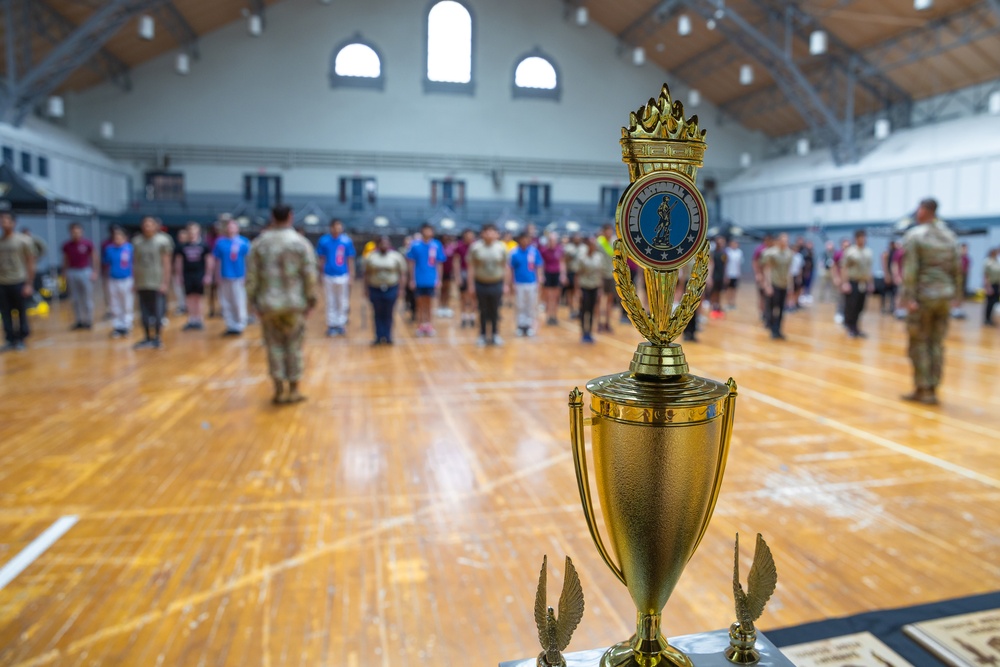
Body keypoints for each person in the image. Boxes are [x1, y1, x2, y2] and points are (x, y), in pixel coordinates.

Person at [246, 205, 318, 405]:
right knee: (294, 346)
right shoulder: (300, 243)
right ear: (290, 217)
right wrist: (311, 300)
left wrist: (253, 301)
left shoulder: (259, 244)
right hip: (294, 304)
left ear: (272, 217)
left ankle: (278, 390)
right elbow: (309, 276)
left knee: (274, 347)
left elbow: (251, 276)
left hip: (269, 304)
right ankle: (294, 389)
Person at [900, 198, 961, 405]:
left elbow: (911, 271)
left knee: (919, 342)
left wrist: (908, 298)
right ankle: (933, 386)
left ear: (924, 210)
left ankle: (923, 388)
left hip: (924, 297)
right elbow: (957, 269)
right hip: (944, 296)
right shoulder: (950, 236)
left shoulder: (916, 235)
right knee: (936, 342)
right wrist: (957, 296)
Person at [132, 216, 174, 349]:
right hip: (142, 281)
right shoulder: (137, 241)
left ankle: (157, 337)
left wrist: (165, 283)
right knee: (143, 312)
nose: (147, 227)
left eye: (150, 224)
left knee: (157, 312)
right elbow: (135, 263)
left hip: (156, 282)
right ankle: (146, 337)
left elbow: (167, 264)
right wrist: (135, 281)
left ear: (155, 226)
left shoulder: (163, 241)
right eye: (145, 224)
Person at [0, 213, 36, 351]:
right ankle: (10, 339)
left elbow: (30, 262)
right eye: (1, 220)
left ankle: (21, 338)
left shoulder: (23, 240)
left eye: (6, 220)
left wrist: (29, 283)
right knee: (5, 312)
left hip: (19, 281)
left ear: (14, 223)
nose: (3, 222)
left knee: (21, 311)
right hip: (3, 282)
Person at [468, 223, 508, 346]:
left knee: (495, 310)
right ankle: (483, 334)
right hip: (481, 283)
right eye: (487, 231)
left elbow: (505, 267)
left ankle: (495, 334)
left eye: (492, 231)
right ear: (482, 233)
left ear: (497, 234)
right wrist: (471, 285)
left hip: (496, 283)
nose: (489, 234)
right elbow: (471, 267)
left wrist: (506, 284)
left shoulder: (501, 247)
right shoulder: (475, 248)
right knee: (482, 310)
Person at [364, 235, 408, 345]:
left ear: (389, 244)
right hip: (375, 288)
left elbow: (402, 273)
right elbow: (366, 274)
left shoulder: (396, 257)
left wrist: (401, 289)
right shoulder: (371, 257)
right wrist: (365, 289)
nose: (384, 245)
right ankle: (378, 336)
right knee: (377, 313)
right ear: (378, 245)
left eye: (386, 243)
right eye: (381, 243)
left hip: (391, 287)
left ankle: (388, 336)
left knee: (388, 313)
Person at [316, 218, 355, 337]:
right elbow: (321, 259)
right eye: (335, 227)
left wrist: (351, 275)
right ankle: (331, 324)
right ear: (331, 227)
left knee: (342, 300)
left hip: (343, 274)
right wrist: (320, 273)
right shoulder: (324, 241)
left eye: (340, 226)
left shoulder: (346, 241)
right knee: (330, 300)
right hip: (328, 274)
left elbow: (350, 259)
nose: (337, 229)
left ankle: (341, 324)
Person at [213, 217, 251, 336]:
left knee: (238, 300)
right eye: (229, 226)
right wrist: (216, 275)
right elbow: (217, 260)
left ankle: (240, 324)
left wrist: (247, 275)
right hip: (224, 276)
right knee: (225, 301)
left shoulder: (244, 242)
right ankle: (231, 325)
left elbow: (248, 260)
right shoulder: (220, 242)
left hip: (239, 276)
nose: (231, 229)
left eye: (233, 226)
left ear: (237, 228)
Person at [407, 223, 445, 337]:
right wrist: (412, 279)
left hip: (431, 279)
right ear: (422, 231)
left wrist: (439, 279)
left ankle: (429, 325)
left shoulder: (436, 245)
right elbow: (411, 263)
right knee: (419, 304)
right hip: (419, 279)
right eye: (426, 230)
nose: (428, 232)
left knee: (429, 304)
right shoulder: (415, 245)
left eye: (430, 230)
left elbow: (439, 264)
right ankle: (420, 325)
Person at [174, 222, 214, 331]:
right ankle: (191, 319)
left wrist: (208, 275)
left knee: (198, 298)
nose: (192, 234)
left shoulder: (204, 245)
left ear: (198, 232)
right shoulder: (182, 246)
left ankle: (199, 319)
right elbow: (179, 261)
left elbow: (209, 260)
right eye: (190, 232)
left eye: (194, 231)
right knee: (189, 297)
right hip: (187, 274)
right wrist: (178, 276)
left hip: (199, 274)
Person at [839, 229, 874, 338]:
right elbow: (844, 268)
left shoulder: (868, 252)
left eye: (864, 237)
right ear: (856, 238)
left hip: (863, 282)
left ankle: (857, 328)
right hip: (852, 282)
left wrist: (870, 283)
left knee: (860, 306)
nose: (863, 239)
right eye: (860, 237)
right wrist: (845, 283)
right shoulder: (850, 252)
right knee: (851, 306)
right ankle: (850, 328)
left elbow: (869, 269)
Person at [62, 222, 96, 330]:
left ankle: (89, 320)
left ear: (82, 232)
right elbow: (65, 259)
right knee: (75, 298)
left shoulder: (87, 244)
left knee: (87, 297)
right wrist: (64, 272)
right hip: (72, 272)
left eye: (78, 231)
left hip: (85, 271)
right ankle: (79, 320)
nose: (76, 234)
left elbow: (94, 257)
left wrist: (95, 271)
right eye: (73, 232)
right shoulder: (67, 245)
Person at [760, 233, 794, 340]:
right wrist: (767, 285)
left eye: (787, 240)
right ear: (779, 241)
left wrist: (790, 285)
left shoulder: (789, 254)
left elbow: (789, 271)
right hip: (774, 283)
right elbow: (767, 269)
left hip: (784, 284)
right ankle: (771, 326)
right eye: (784, 240)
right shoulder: (771, 253)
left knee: (781, 309)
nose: (786, 242)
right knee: (772, 307)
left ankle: (778, 330)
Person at [509, 231, 543, 336]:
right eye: (522, 238)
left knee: (531, 305)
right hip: (519, 283)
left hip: (532, 282)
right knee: (520, 305)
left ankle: (529, 326)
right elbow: (510, 268)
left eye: (526, 239)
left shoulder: (534, 251)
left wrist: (539, 280)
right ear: (519, 240)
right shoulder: (514, 252)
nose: (524, 241)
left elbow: (538, 266)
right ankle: (520, 325)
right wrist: (511, 282)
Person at [576, 235, 608, 343]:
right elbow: (578, 274)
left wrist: (600, 289)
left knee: (592, 310)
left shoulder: (599, 257)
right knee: (584, 310)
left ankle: (589, 332)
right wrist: (578, 290)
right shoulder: (582, 257)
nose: (592, 246)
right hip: (584, 286)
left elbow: (601, 274)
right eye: (590, 244)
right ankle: (583, 332)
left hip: (595, 286)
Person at [104, 226, 134, 338]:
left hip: (127, 279)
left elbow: (134, 264)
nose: (117, 238)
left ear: (125, 237)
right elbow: (106, 262)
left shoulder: (130, 248)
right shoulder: (109, 249)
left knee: (126, 303)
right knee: (114, 304)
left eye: (119, 236)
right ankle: (117, 325)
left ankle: (127, 325)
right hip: (113, 279)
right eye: (115, 236)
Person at [539, 230, 565, 326]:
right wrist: (541, 276)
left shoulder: (560, 249)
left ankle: (554, 316)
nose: (552, 242)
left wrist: (563, 275)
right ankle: (549, 316)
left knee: (556, 297)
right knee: (549, 297)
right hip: (548, 274)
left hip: (557, 274)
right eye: (550, 240)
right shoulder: (544, 251)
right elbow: (541, 264)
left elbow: (562, 262)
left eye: (554, 240)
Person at [455, 229, 476, 328]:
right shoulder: (459, 247)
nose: (469, 238)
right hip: (463, 272)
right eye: (467, 236)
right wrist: (457, 276)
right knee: (463, 297)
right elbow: (456, 262)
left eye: (471, 236)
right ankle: (463, 317)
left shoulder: (476, 247)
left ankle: (472, 317)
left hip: (474, 273)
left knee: (473, 296)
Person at [597, 223, 617, 333]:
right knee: (600, 299)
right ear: (603, 231)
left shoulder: (614, 242)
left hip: (612, 274)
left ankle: (607, 323)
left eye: (610, 230)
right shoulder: (599, 242)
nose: (609, 233)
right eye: (607, 230)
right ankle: (599, 322)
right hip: (601, 274)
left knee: (610, 300)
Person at [751, 234, 773, 325]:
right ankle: (762, 313)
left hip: (770, 277)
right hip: (762, 276)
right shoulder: (760, 249)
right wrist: (758, 274)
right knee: (762, 295)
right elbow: (755, 262)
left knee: (769, 296)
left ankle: (768, 313)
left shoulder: (772, 250)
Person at [563, 232, 583, 317]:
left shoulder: (584, 248)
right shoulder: (568, 248)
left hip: (581, 273)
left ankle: (579, 309)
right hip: (571, 271)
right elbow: (564, 260)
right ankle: (572, 309)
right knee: (570, 292)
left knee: (579, 292)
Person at [171, 228, 189, 315]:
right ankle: (182, 306)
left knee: (188, 291)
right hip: (177, 273)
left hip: (188, 273)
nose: (181, 237)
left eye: (183, 235)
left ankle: (189, 306)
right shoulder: (176, 248)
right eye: (180, 236)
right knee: (178, 291)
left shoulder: (189, 247)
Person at [439, 233, 457, 318]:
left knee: (447, 289)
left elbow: (454, 261)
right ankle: (441, 306)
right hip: (440, 273)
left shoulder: (451, 248)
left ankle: (446, 306)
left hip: (448, 272)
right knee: (442, 290)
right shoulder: (439, 248)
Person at [709, 235, 727, 317]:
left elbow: (725, 265)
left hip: (721, 275)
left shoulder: (724, 253)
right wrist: (710, 277)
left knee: (719, 292)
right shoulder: (713, 253)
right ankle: (713, 307)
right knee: (713, 292)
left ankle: (718, 307)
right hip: (714, 275)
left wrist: (725, 276)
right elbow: (711, 264)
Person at [881, 241, 900, 315]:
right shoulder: (886, 253)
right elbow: (884, 264)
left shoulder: (896, 253)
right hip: (888, 275)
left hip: (893, 276)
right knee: (885, 293)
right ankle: (883, 308)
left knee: (893, 293)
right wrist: (887, 275)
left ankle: (892, 308)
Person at [724, 238, 743, 310]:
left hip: (736, 274)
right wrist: (725, 274)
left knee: (734, 289)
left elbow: (739, 264)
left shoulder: (739, 252)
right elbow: (725, 263)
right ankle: (728, 303)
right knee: (728, 289)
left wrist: (739, 274)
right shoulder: (727, 251)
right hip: (728, 273)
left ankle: (733, 303)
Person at [984, 248, 1000, 327]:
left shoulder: (997, 261)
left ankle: (991, 319)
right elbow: (985, 276)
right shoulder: (988, 262)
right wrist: (988, 287)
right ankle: (986, 319)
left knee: (995, 302)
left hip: (997, 285)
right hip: (990, 284)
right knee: (989, 303)